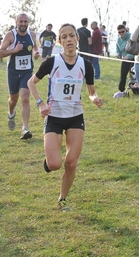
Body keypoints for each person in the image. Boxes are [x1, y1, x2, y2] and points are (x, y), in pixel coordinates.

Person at [27, 23, 103, 211]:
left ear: (77, 39)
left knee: (71, 162)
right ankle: (48, 161)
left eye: (72, 36)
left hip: (75, 117)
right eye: (64, 37)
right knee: (55, 164)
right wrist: (40, 103)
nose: (68, 39)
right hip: (54, 116)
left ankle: (62, 199)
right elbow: (31, 82)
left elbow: (91, 92)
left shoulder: (86, 65)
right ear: (60, 41)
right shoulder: (52, 62)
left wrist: (95, 99)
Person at [0, 13, 40, 140]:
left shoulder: (32, 35)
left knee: (25, 98)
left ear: (28, 22)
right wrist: (14, 50)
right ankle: (11, 114)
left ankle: (25, 128)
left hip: (27, 71)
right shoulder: (11, 35)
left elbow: (34, 47)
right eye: (20, 21)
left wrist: (36, 52)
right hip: (13, 72)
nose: (23, 24)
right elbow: (0, 53)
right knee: (13, 99)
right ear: (16, 22)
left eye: (25, 21)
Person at [114, 24, 133, 96]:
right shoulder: (118, 39)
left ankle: (136, 89)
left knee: (133, 75)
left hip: (133, 59)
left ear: (126, 30)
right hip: (125, 59)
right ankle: (121, 90)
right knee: (123, 75)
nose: (121, 34)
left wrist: (129, 56)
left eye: (123, 32)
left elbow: (136, 49)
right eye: (119, 32)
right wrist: (118, 54)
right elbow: (118, 49)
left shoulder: (131, 37)